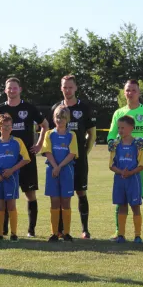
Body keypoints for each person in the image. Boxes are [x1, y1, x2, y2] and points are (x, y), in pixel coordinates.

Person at [0, 77, 48, 237]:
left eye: (15, 88)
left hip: (26, 158)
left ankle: (31, 230)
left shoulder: (28, 108)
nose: (12, 90)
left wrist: (40, 144)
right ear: (5, 90)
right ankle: (5, 230)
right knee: (5, 196)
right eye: (9, 88)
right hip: (6, 162)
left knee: (30, 193)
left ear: (20, 89)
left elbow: (45, 125)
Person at [107, 80, 143, 241]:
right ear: (124, 93)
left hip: (142, 165)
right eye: (127, 90)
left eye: (133, 90)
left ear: (139, 93)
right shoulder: (119, 113)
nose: (130, 93)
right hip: (122, 164)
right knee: (121, 199)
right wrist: (112, 143)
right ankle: (119, 232)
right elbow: (111, 135)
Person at [50, 75, 96, 238]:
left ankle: (85, 229)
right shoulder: (56, 107)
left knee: (80, 192)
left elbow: (91, 133)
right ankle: (60, 230)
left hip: (78, 160)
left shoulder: (84, 108)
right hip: (59, 162)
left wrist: (84, 153)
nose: (67, 90)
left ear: (76, 88)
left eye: (70, 87)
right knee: (61, 194)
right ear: (61, 88)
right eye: (64, 87)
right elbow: (51, 134)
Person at [0, 113, 31, 242]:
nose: (7, 129)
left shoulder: (17, 142)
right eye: (4, 127)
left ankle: (14, 234)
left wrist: (12, 170)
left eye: (9, 126)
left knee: (11, 205)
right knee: (0, 205)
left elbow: (26, 159)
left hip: (12, 178)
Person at [43, 105, 78, 242]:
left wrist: (60, 166)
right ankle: (54, 233)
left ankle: (66, 232)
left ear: (67, 119)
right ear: (53, 118)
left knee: (66, 202)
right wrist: (55, 166)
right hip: (52, 170)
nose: (60, 120)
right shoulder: (49, 134)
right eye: (57, 117)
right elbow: (47, 152)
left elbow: (72, 153)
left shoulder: (71, 135)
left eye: (63, 117)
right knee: (54, 202)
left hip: (66, 171)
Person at [110, 115, 143, 244]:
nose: (120, 130)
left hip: (133, 179)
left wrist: (130, 172)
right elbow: (111, 165)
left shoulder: (138, 144)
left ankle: (137, 235)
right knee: (122, 206)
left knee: (135, 206)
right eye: (118, 128)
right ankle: (121, 235)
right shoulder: (115, 145)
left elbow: (142, 164)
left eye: (123, 128)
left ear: (131, 128)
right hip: (120, 179)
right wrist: (121, 172)